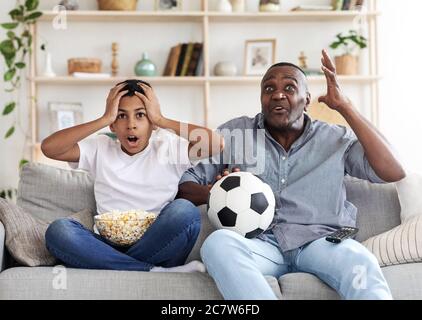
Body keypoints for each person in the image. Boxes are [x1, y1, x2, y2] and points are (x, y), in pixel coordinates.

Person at [177, 49, 406, 299]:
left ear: (306, 99)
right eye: (268, 89)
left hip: (321, 243)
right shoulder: (235, 133)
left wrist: (345, 107)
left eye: (289, 88)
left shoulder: (336, 138)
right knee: (217, 244)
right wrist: (217, 193)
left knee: (361, 261)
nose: (277, 94)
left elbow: (392, 171)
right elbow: (185, 185)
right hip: (261, 245)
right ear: (261, 99)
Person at [42, 79, 224, 273]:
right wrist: (103, 119)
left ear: (151, 122)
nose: (131, 125)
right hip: (107, 245)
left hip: (158, 243)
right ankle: (151, 271)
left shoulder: (168, 147)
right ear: (113, 124)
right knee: (59, 230)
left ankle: (120, 266)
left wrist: (162, 120)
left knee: (184, 211)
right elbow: (49, 148)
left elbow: (216, 144)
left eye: (140, 115)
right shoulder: (100, 148)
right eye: (121, 116)